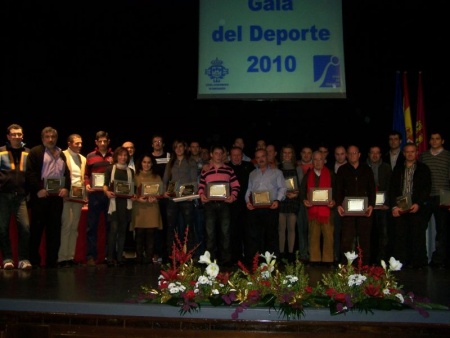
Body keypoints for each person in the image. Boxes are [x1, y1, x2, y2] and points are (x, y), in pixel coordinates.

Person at [26, 126, 71, 268]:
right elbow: (30, 173)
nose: (50, 139)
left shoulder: (61, 153)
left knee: (54, 231)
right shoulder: (35, 152)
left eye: (53, 137)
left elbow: (67, 174)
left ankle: (52, 261)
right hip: (41, 198)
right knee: (36, 231)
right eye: (48, 137)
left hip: (56, 198)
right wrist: (38, 189)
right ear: (42, 138)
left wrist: (66, 188)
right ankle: (34, 261)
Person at [389, 142, 431, 269]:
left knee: (417, 235)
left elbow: (426, 189)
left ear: (417, 153)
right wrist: (394, 206)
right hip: (401, 207)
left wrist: (418, 203)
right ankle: (402, 262)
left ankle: (418, 263)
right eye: (407, 151)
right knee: (401, 235)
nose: (410, 154)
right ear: (403, 153)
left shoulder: (423, 169)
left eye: (412, 151)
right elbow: (392, 189)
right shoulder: (398, 169)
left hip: (416, 207)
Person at [197, 144, 240, 266]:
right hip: (210, 205)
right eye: (216, 153)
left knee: (225, 233)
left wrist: (233, 196)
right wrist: (202, 195)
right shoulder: (206, 170)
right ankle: (210, 260)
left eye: (221, 154)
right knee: (210, 233)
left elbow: (236, 185)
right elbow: (201, 186)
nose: (219, 156)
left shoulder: (229, 170)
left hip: (225, 205)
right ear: (211, 154)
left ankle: (226, 259)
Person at [335, 145, 376, 266]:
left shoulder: (367, 169)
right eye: (350, 153)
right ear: (347, 155)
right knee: (347, 239)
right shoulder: (342, 170)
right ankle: (345, 266)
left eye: (355, 153)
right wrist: (338, 204)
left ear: (359, 154)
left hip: (364, 210)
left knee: (364, 239)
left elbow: (372, 189)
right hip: (347, 210)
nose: (353, 155)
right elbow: (338, 189)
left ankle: (364, 264)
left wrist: (371, 205)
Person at [245, 148, 286, 266]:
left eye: (262, 156)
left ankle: (272, 263)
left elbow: (282, 188)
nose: (260, 159)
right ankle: (256, 262)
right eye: (258, 157)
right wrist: (247, 201)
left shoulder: (277, 172)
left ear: (267, 157)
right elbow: (249, 189)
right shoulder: (252, 174)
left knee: (271, 236)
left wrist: (278, 200)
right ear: (255, 160)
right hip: (255, 209)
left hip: (270, 208)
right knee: (255, 236)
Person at [0, 124, 32, 270]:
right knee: (2, 228)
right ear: (8, 136)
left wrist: (30, 191)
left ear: (22, 135)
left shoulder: (28, 153)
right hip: (3, 197)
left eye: (19, 134)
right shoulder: (0, 152)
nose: (16, 137)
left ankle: (23, 259)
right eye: (13, 134)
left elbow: (32, 176)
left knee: (25, 228)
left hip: (21, 197)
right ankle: (7, 259)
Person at [162, 139, 198, 260]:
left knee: (188, 227)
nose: (179, 149)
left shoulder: (191, 161)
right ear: (174, 149)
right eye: (176, 147)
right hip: (173, 199)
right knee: (171, 226)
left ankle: (189, 255)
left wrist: (191, 195)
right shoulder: (171, 163)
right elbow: (165, 180)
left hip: (186, 199)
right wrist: (164, 192)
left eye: (181, 146)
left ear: (185, 148)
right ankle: (171, 255)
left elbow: (194, 180)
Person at [419, 132, 450, 268]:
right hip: (426, 196)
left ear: (442, 141)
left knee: (442, 229)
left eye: (438, 139)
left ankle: (439, 260)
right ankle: (421, 258)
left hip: (443, 196)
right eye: (432, 139)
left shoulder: (448, 156)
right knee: (420, 227)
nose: (434, 141)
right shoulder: (424, 156)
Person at [300, 150, 335, 266]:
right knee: (313, 237)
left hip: (327, 212)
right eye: (315, 159)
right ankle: (314, 260)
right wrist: (304, 200)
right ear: (312, 161)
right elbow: (302, 191)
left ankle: (328, 260)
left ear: (324, 160)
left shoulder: (330, 174)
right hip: (313, 211)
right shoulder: (308, 175)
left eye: (320, 159)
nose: (318, 162)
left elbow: (337, 191)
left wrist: (334, 201)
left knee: (328, 237)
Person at [84, 131, 113, 266]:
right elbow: (86, 175)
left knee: (110, 226)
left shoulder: (114, 156)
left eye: (105, 141)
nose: (102, 143)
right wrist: (87, 184)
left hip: (109, 196)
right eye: (100, 141)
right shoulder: (90, 156)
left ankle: (109, 256)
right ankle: (91, 256)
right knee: (92, 227)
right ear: (96, 142)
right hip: (95, 195)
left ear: (108, 142)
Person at [58, 134, 86, 268]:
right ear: (69, 143)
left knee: (74, 227)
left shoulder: (83, 159)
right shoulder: (62, 154)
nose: (80, 146)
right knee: (66, 226)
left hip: (78, 195)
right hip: (66, 195)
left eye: (81, 143)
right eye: (77, 143)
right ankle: (62, 257)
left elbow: (82, 179)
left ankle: (70, 256)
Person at [103, 146, 134, 267]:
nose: (123, 157)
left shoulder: (131, 171)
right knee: (113, 231)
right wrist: (106, 192)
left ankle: (120, 256)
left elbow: (132, 189)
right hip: (114, 204)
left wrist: (133, 195)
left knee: (122, 232)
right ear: (116, 156)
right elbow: (105, 185)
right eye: (120, 155)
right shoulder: (110, 169)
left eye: (125, 155)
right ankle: (110, 257)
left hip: (126, 205)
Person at [131, 154, 163, 265]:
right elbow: (130, 192)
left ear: (152, 164)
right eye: (144, 162)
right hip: (139, 208)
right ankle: (139, 258)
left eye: (149, 162)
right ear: (140, 163)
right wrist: (138, 199)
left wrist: (156, 199)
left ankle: (149, 259)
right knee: (139, 235)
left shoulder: (157, 177)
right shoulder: (134, 176)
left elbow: (161, 194)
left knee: (151, 236)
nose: (146, 164)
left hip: (152, 208)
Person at [228, 145, 255, 264]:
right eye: (234, 155)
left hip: (247, 204)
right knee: (234, 232)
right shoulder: (226, 167)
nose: (236, 157)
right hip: (232, 205)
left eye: (239, 155)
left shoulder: (249, 166)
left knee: (248, 232)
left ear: (242, 155)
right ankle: (236, 258)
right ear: (230, 156)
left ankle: (249, 258)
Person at [366, 145, 392, 264]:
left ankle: (382, 259)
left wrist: (387, 202)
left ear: (381, 154)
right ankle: (369, 259)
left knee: (384, 233)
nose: (375, 155)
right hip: (367, 206)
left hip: (383, 206)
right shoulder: (363, 167)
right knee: (369, 233)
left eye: (377, 153)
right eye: (372, 152)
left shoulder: (387, 167)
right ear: (368, 154)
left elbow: (391, 186)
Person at [277, 144, 303, 263]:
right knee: (281, 229)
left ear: (293, 154)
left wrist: (296, 194)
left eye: (289, 153)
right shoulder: (277, 168)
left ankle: (291, 254)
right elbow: (275, 185)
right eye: (285, 152)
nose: (287, 155)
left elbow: (302, 185)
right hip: (282, 201)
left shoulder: (297, 168)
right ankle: (282, 253)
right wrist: (282, 194)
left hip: (293, 200)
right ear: (282, 154)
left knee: (291, 228)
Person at [150, 134, 169, 263]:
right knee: (154, 226)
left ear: (163, 144)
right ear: (152, 144)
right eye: (155, 142)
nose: (157, 143)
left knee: (166, 226)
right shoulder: (148, 158)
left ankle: (165, 254)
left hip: (166, 197)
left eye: (160, 141)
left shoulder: (169, 157)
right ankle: (154, 253)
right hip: (153, 197)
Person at [189, 140, 206, 256]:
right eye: (192, 147)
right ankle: (190, 255)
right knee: (189, 230)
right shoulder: (185, 162)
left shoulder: (206, 163)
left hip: (201, 202)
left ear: (199, 149)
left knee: (201, 229)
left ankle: (202, 255)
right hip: (188, 200)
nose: (195, 149)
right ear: (189, 149)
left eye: (197, 147)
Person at [296, 145, 314, 262]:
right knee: (301, 228)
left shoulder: (317, 166)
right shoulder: (295, 167)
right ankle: (303, 254)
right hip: (298, 202)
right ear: (301, 154)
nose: (306, 155)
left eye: (309, 153)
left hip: (313, 202)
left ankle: (312, 253)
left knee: (312, 229)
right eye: (304, 152)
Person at [331, 145, 347, 263]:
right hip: (334, 206)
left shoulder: (351, 168)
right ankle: (336, 256)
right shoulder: (330, 169)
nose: (340, 156)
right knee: (335, 232)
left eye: (342, 154)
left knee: (347, 232)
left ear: (346, 154)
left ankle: (347, 257)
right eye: (337, 154)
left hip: (348, 205)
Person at [122, 141, 137, 260]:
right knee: (125, 225)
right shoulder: (118, 164)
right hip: (123, 199)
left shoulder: (140, 162)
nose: (129, 150)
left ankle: (136, 251)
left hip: (138, 198)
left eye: (131, 148)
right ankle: (124, 251)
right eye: (127, 148)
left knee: (136, 226)